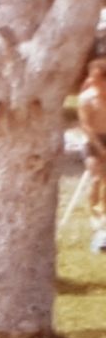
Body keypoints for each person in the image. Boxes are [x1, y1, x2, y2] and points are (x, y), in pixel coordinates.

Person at [77, 58, 106, 223]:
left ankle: (104, 211)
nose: (91, 81)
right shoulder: (86, 99)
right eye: (91, 77)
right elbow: (86, 126)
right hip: (93, 140)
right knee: (96, 176)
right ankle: (94, 215)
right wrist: (100, 149)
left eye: (96, 78)